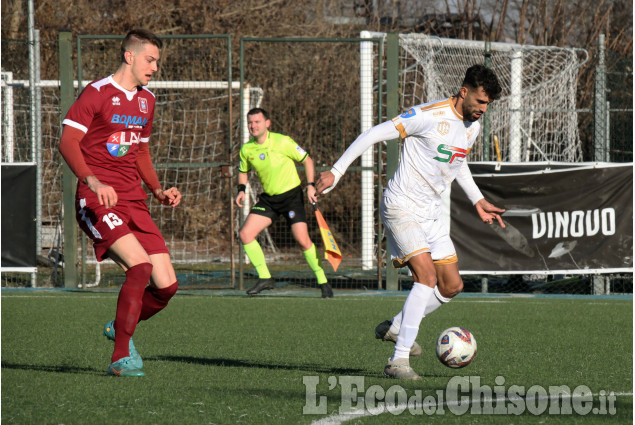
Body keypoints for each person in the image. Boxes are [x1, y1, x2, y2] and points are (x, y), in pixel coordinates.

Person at [316, 64, 505, 379]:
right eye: (481, 102)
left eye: (487, 105)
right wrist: (336, 171)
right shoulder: (428, 115)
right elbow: (373, 134)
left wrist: (477, 200)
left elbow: (457, 162)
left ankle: (397, 327)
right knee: (426, 278)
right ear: (464, 91)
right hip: (402, 207)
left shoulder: (473, 124)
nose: (484, 109)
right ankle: (398, 361)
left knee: (452, 285)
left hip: (431, 215)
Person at [58, 29, 181, 377]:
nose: (155, 67)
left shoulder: (147, 101)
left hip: (135, 200)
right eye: (150, 59)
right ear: (130, 56)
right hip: (97, 199)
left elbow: (140, 150)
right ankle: (120, 357)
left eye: (157, 61)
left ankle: (119, 326)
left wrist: (157, 190)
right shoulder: (96, 93)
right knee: (139, 267)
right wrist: (92, 180)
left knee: (167, 286)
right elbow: (68, 141)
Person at [236, 108, 333, 298]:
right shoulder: (247, 149)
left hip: (291, 197)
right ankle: (265, 277)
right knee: (245, 234)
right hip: (269, 199)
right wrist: (241, 189)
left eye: (257, 122)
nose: (253, 126)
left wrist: (311, 185)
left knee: (302, 240)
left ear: (267, 123)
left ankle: (323, 281)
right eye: (250, 122)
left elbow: (308, 160)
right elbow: (243, 170)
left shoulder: (283, 141)